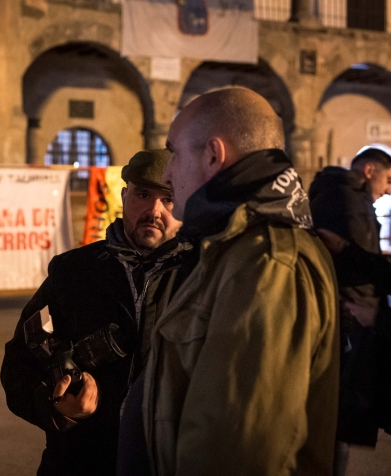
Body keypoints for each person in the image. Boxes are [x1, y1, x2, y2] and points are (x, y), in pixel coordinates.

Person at [138, 87, 339, 475]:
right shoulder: (230, 245)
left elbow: (239, 449)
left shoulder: (268, 262)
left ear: (213, 154)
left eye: (174, 153)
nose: (166, 172)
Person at [1, 149, 192, 476]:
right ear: (124, 195)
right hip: (79, 462)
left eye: (169, 199)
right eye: (143, 195)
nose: (154, 210)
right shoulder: (73, 271)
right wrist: (58, 407)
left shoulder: (201, 276)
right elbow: (19, 361)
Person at [308, 148, 391, 472]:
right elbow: (356, 259)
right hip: (348, 313)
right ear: (369, 169)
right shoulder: (344, 198)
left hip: (353, 312)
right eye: (388, 180)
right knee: (338, 411)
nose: (389, 189)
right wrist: (367, 310)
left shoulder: (351, 196)